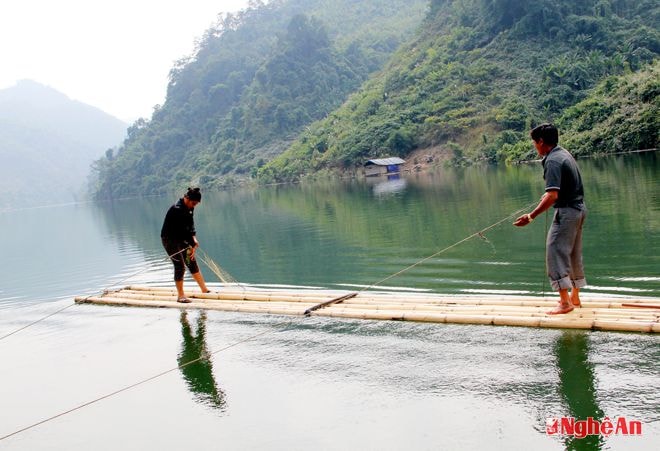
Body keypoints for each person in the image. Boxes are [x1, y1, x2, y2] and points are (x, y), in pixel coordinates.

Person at [514, 124, 587, 315]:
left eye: (534, 142)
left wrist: (531, 216)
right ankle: (575, 297)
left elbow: (553, 195)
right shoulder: (563, 153)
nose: (534, 146)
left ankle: (565, 303)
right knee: (572, 252)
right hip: (579, 209)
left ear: (541, 142)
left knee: (555, 250)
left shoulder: (552, 160)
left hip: (567, 212)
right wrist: (547, 198)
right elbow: (555, 192)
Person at [161, 187, 210, 303]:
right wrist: (192, 243)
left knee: (191, 261)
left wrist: (194, 238)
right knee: (180, 266)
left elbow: (190, 224)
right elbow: (182, 230)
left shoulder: (189, 207)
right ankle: (181, 296)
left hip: (182, 238)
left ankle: (204, 289)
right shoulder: (176, 209)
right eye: (193, 203)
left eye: (196, 204)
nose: (194, 206)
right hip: (170, 240)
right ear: (187, 198)